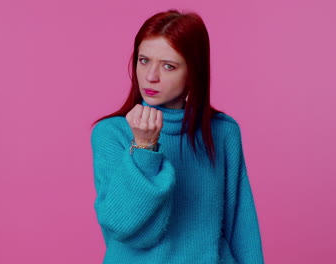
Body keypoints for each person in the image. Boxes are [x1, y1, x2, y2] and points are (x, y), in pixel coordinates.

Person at [90, 9, 264, 264]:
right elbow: (123, 227)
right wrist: (144, 147)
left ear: (193, 72)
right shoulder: (112, 133)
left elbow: (242, 227)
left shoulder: (223, 132)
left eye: (168, 66)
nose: (151, 76)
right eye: (143, 60)